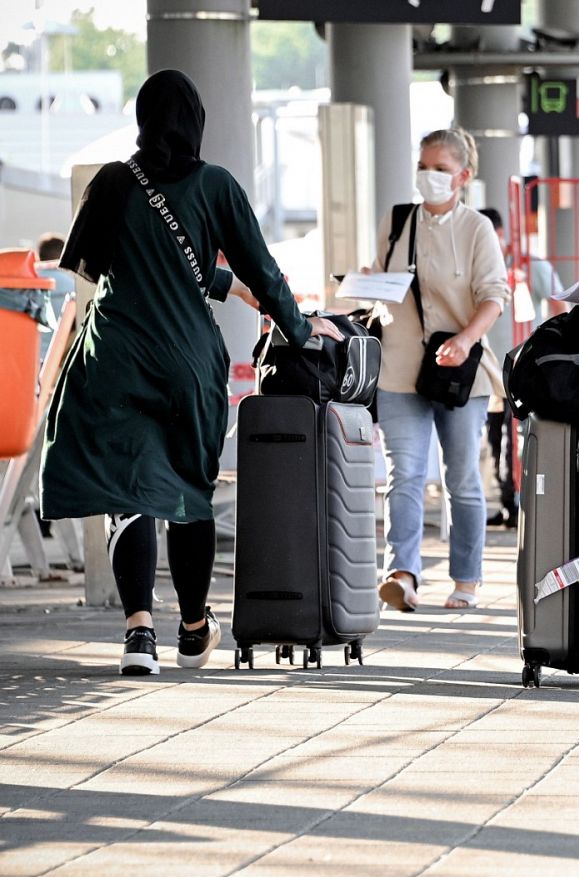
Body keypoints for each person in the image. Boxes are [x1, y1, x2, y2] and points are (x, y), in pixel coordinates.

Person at [41, 69, 341, 675]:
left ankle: (137, 635)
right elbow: (264, 269)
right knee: (186, 494)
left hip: (115, 358)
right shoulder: (216, 186)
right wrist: (302, 328)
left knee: (128, 494)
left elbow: (98, 271)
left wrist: (213, 284)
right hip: (187, 365)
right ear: (197, 123)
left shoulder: (112, 183)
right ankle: (195, 625)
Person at [369, 129, 508, 613]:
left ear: (463, 176)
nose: (429, 177)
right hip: (400, 366)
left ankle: (466, 579)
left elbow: (495, 295)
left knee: (462, 478)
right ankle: (402, 573)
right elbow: (382, 279)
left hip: (459, 373)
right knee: (403, 474)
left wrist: (465, 339)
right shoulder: (397, 220)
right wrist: (364, 285)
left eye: (441, 169)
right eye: (423, 167)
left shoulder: (476, 229)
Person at [476, 206, 519, 529]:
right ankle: (505, 501)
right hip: (490, 371)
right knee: (494, 438)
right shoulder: (475, 266)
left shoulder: (524, 268)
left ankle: (515, 500)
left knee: (512, 439)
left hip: (520, 366)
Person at [34, 232, 73, 360]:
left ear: (39, 255)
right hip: (60, 362)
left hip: (30, 359)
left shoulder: (26, 287)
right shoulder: (73, 287)